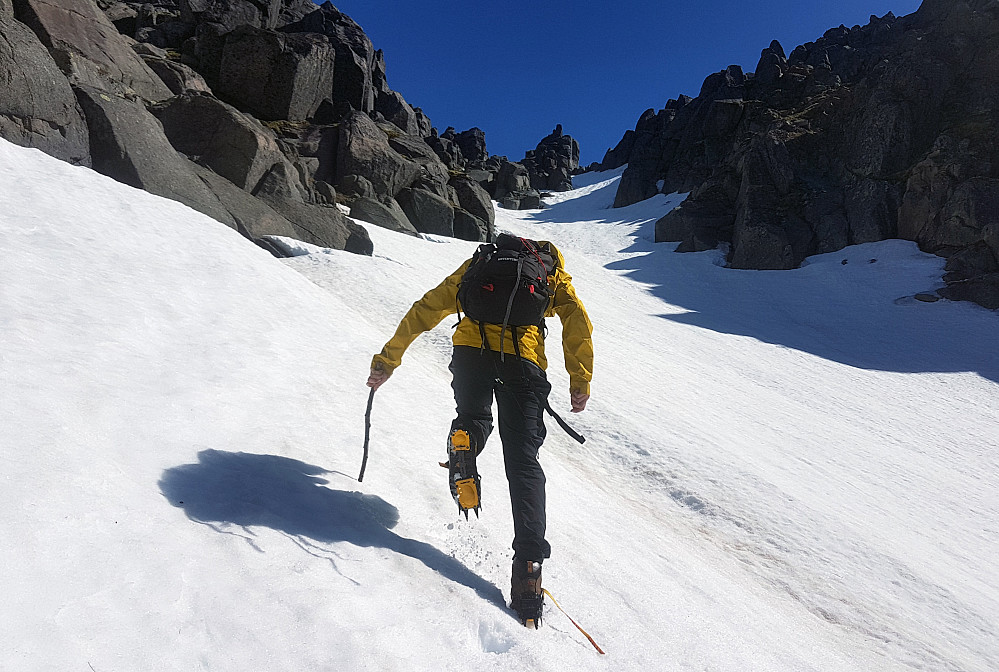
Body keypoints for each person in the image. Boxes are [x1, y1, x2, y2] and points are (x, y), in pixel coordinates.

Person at [366, 235, 593, 625]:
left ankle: (465, 438)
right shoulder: (550, 275)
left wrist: (388, 359)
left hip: (471, 354)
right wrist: (580, 378)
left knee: (474, 417)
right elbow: (577, 322)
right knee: (523, 463)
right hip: (523, 363)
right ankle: (528, 572)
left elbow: (427, 306)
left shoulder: (480, 265)